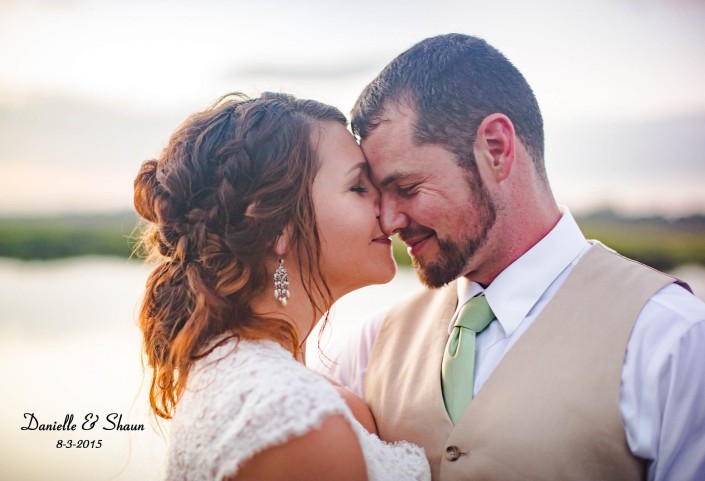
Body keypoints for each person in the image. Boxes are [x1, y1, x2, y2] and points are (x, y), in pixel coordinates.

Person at [307, 34, 705, 481]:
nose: (390, 220)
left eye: (408, 188)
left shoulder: (675, 341)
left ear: (495, 148)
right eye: (380, 195)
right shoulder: (366, 347)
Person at [133, 92, 430, 481]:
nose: (389, 209)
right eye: (359, 187)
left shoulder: (242, 375)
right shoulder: (296, 422)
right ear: (276, 227)